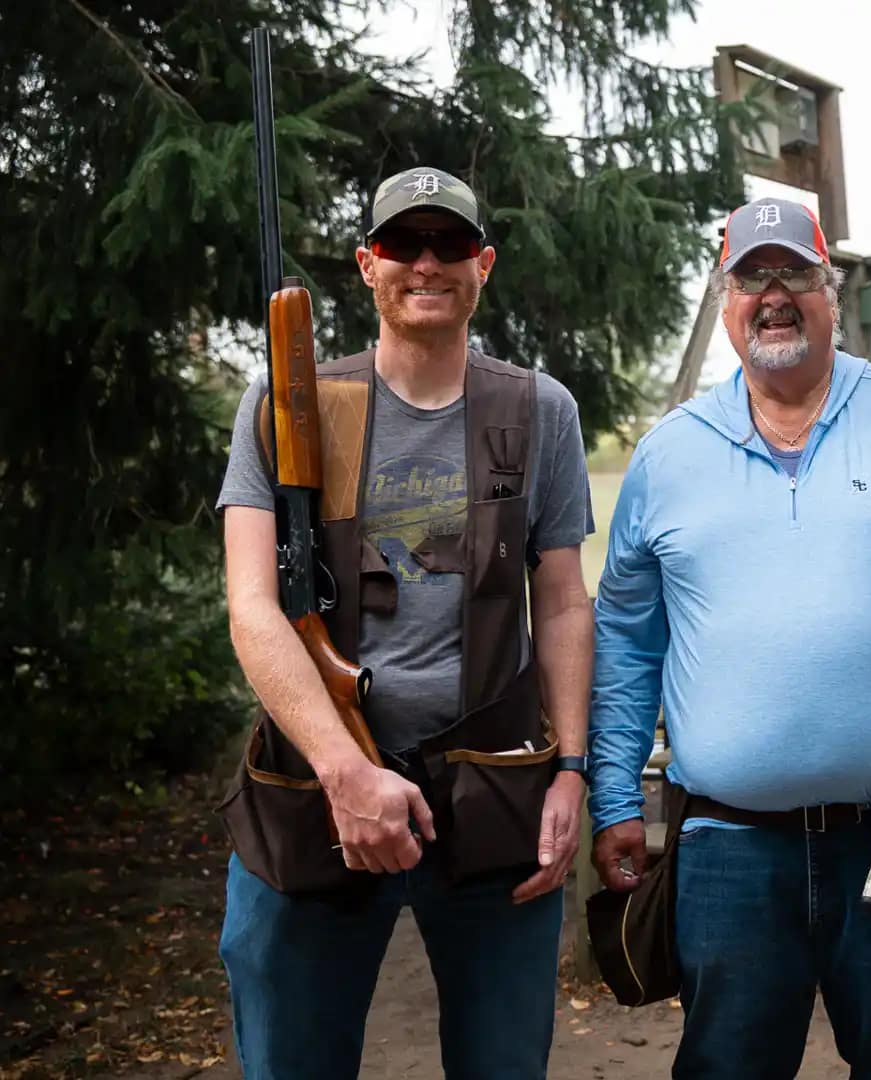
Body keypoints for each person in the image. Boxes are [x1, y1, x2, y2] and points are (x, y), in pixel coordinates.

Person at [588, 196, 871, 1080]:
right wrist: (614, 799)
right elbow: (627, 639)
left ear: (831, 288)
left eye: (793, 273)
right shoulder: (668, 453)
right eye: (752, 276)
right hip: (727, 847)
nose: (773, 294)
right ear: (726, 295)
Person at [216, 166, 596, 1077]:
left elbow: (563, 600)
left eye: (451, 244)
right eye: (403, 244)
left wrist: (572, 770)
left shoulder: (537, 410)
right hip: (317, 797)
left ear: (484, 265)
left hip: (494, 790)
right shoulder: (289, 404)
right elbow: (253, 608)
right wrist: (348, 774)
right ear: (366, 264)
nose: (427, 263)